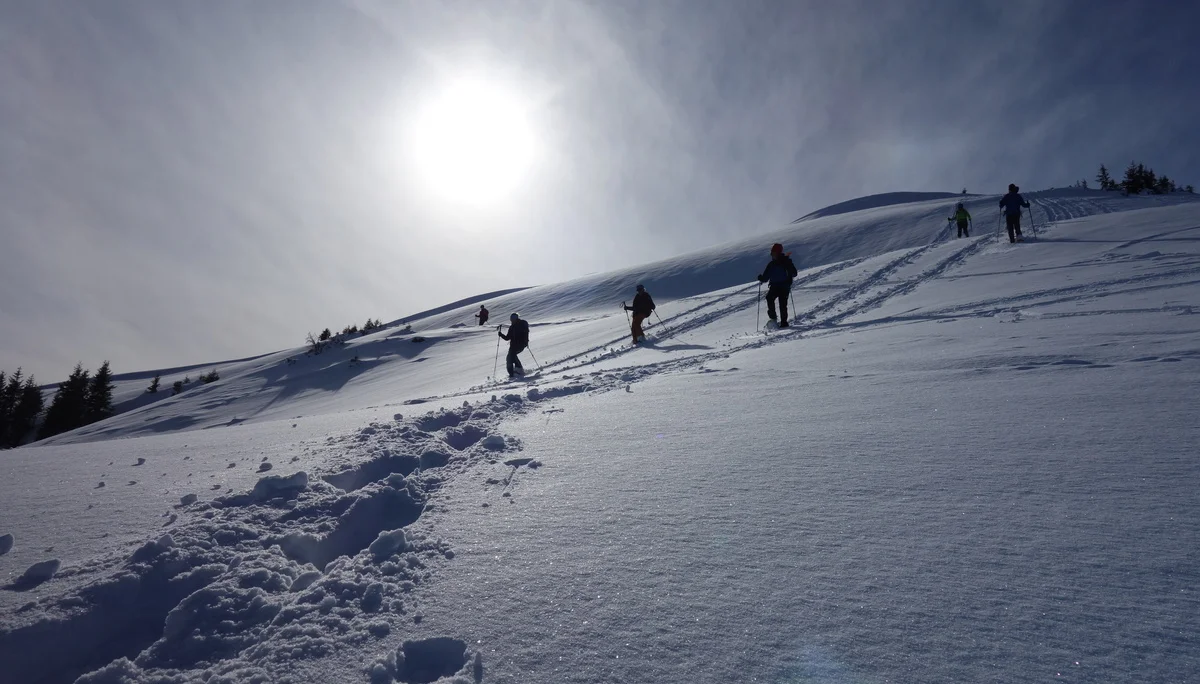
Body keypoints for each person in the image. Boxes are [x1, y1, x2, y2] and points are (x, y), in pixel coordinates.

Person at [756, 243, 799, 327]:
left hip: (784, 286)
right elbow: (765, 278)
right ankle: (774, 318)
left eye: (774, 253)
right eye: (772, 253)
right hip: (776, 286)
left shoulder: (784, 262)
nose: (772, 255)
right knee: (770, 298)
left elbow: (794, 273)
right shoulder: (773, 264)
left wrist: (761, 278)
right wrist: (762, 278)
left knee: (782, 304)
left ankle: (783, 322)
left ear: (778, 253)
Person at [497, 313, 529, 378]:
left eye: (513, 319)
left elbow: (525, 333)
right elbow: (507, 338)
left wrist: (525, 342)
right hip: (513, 346)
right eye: (511, 319)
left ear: (516, 318)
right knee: (509, 358)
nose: (512, 320)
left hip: (520, 345)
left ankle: (518, 370)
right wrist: (501, 335)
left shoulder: (521, 325)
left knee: (512, 356)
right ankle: (513, 373)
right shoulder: (511, 327)